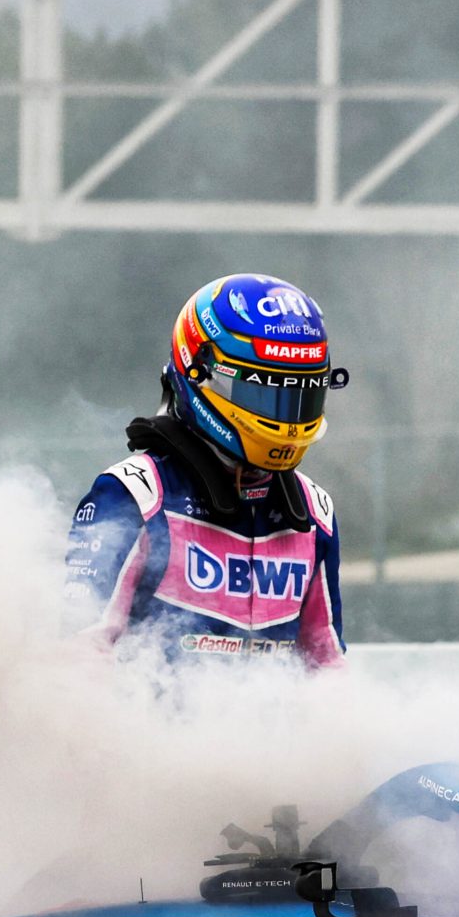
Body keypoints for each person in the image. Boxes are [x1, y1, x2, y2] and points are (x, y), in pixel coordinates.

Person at [66, 275, 347, 667]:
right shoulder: (135, 494)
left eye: (300, 396)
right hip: (144, 722)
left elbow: (326, 661)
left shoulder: (315, 512)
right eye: (265, 393)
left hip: (267, 727)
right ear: (200, 372)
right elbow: (76, 646)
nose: (286, 419)